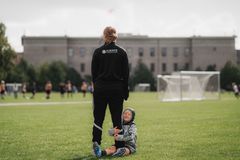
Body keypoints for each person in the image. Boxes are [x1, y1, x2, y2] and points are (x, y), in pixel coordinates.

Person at [91, 26, 129, 157]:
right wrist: (126, 90)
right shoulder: (122, 52)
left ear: (104, 36)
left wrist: (97, 87)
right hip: (117, 90)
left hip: (100, 89)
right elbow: (126, 75)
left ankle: (96, 143)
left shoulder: (97, 52)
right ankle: (119, 146)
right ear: (115, 36)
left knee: (98, 118)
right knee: (117, 120)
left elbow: (94, 75)